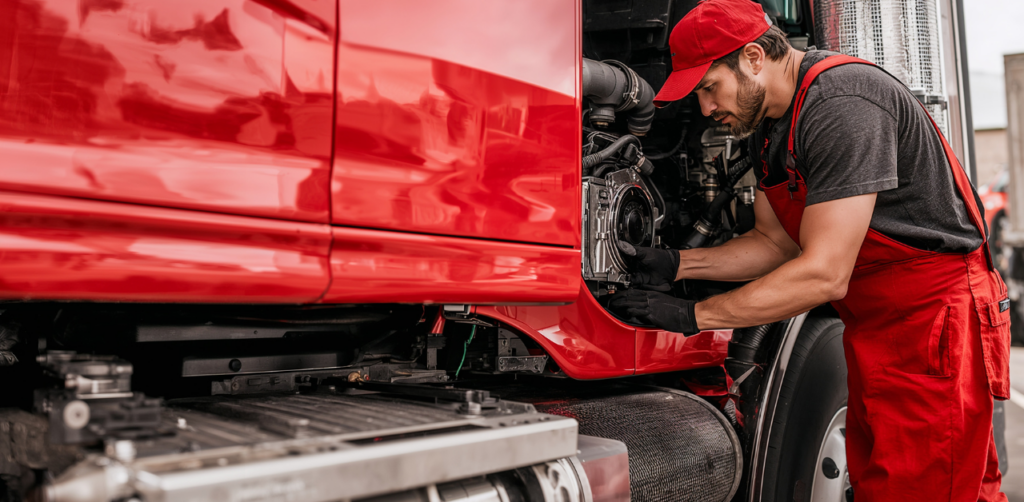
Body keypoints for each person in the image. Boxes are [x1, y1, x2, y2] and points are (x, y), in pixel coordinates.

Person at [609, 0, 1012, 499]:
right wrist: (676, 264)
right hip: (876, 324)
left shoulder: (842, 104)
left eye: (710, 88)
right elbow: (775, 242)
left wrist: (696, 315)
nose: (706, 109)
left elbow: (823, 273)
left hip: (931, 323)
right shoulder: (772, 128)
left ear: (754, 57)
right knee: (900, 484)